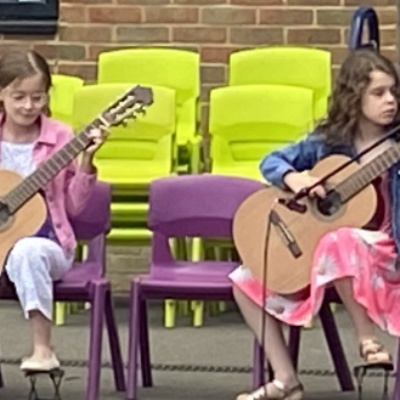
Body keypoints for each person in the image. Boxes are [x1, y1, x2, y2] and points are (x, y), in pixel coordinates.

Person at [229, 49, 400, 400]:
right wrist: (294, 178)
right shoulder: (330, 143)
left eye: (394, 92)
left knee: (341, 239)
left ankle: (367, 339)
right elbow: (272, 161)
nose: (390, 100)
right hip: (329, 254)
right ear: (355, 97)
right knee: (244, 280)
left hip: (384, 251)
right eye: (378, 93)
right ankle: (285, 380)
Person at [0, 50, 107, 371]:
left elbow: (74, 206)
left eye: (37, 97)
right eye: (19, 97)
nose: (28, 106)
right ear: (1, 94)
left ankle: (43, 350)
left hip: (48, 244)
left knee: (27, 251)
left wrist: (87, 162)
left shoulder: (60, 137)